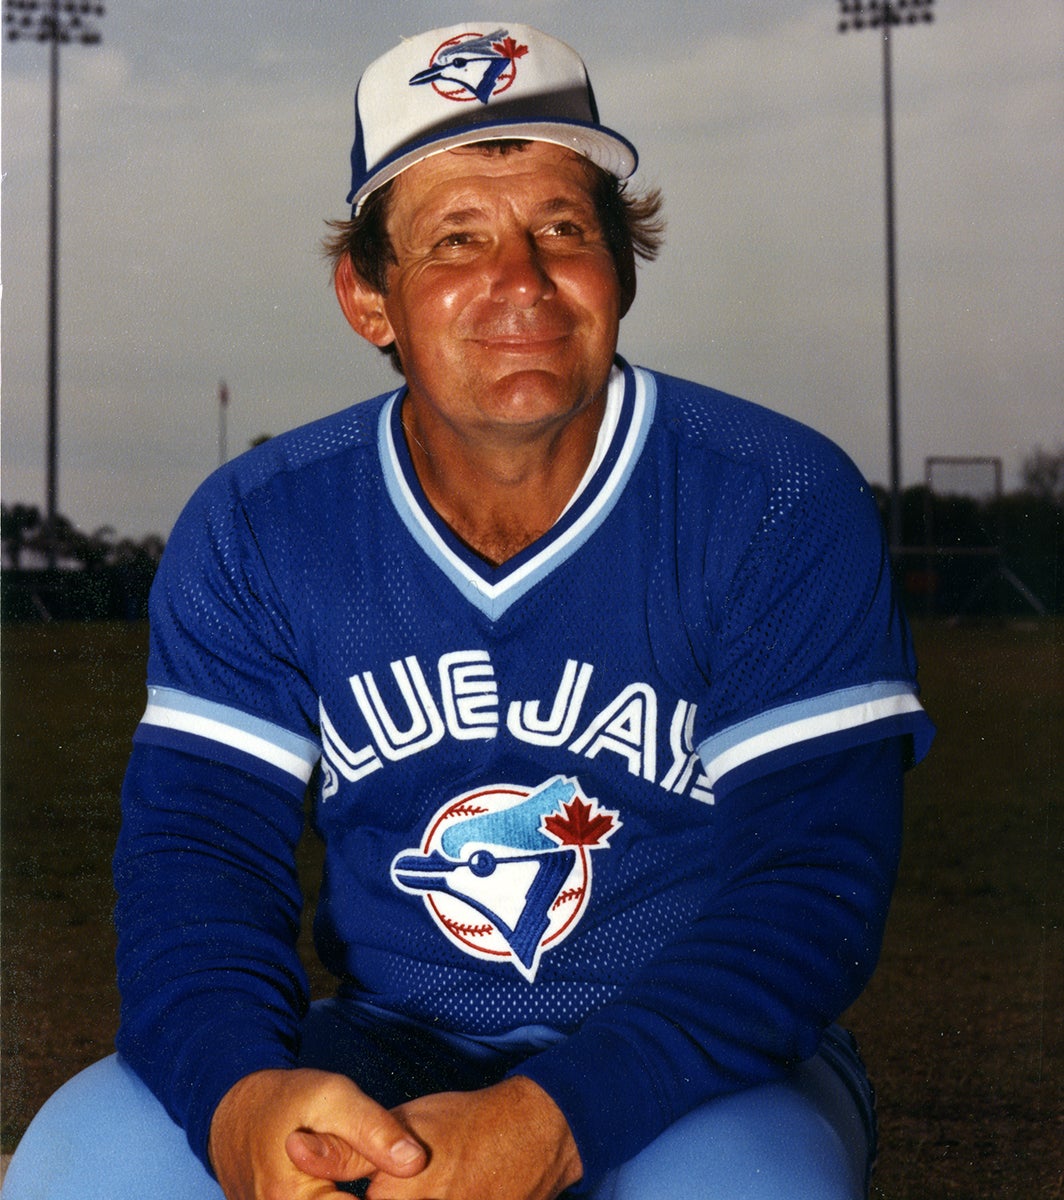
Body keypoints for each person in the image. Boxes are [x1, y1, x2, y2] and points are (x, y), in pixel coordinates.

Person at [5, 22, 934, 1200]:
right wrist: (241, 1095)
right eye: (455, 239)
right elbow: (201, 856)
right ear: (367, 296)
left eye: (561, 228)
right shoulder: (259, 523)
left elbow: (811, 885)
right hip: (377, 1046)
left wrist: (550, 1119)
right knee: (78, 1170)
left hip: (702, 1070)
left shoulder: (772, 496)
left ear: (621, 269)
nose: (519, 281)